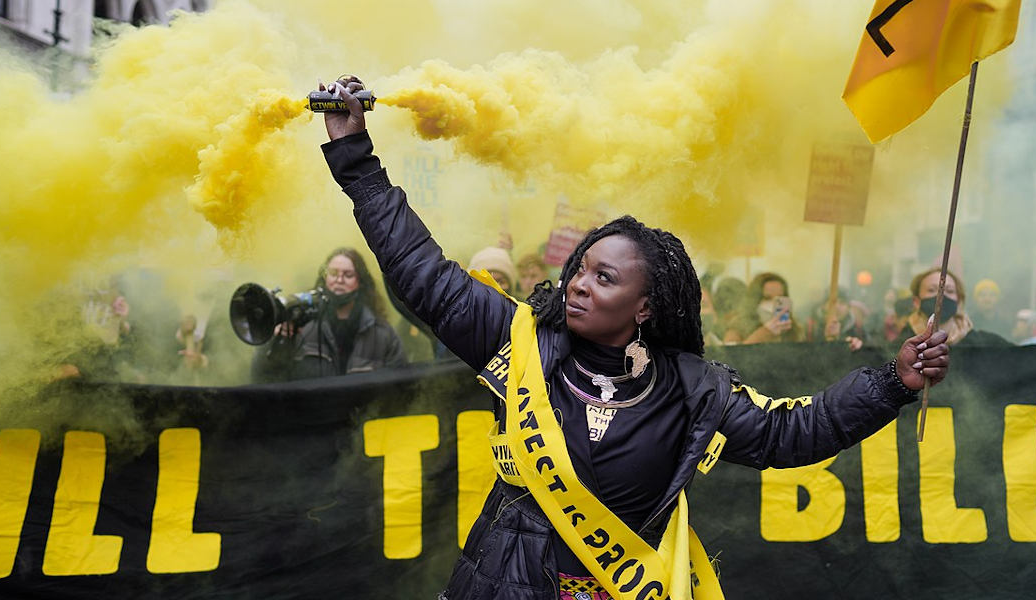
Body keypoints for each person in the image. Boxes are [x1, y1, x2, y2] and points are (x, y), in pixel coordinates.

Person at [318, 77, 950, 600]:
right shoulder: (519, 338)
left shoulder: (694, 390)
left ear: (645, 306)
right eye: (580, 268)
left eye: (604, 277)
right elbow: (421, 271)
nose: (578, 284)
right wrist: (355, 157)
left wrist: (891, 383)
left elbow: (792, 432)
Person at [250, 247, 407, 382]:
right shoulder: (302, 326)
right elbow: (264, 377)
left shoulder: (383, 334)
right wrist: (276, 342)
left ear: (360, 282)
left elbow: (399, 388)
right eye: (333, 273)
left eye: (348, 275)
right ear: (325, 278)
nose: (339, 280)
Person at [892, 268, 1010, 348]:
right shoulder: (900, 347)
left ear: (959, 301)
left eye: (949, 291)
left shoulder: (985, 345)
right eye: (932, 290)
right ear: (916, 302)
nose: (941, 296)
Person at [739, 272, 804, 344]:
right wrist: (763, 334)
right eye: (767, 298)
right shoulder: (738, 329)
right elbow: (736, 351)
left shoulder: (795, 331)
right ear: (754, 301)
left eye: (779, 298)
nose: (773, 304)